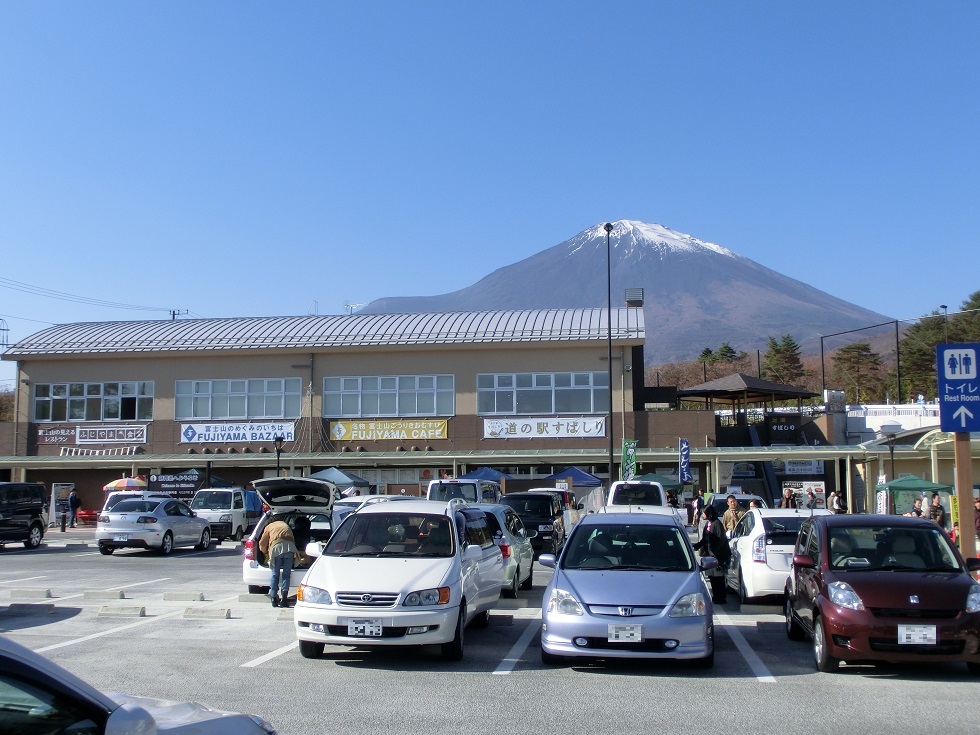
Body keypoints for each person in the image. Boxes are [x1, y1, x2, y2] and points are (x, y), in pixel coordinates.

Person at [258, 518, 301, 608]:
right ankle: (284, 599)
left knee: (275, 574)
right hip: (290, 548)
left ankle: (273, 597)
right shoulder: (285, 525)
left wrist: (265, 553)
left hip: (276, 549)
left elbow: (262, 544)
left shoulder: (269, 527)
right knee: (286, 574)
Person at [692, 505, 730, 603]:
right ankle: (715, 596)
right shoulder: (708, 524)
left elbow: (721, 539)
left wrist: (714, 550)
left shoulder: (717, 523)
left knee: (718, 578)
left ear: (709, 513)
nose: (702, 515)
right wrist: (695, 547)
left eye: (704, 513)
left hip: (718, 556)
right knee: (712, 577)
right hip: (710, 556)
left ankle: (721, 597)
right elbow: (705, 540)